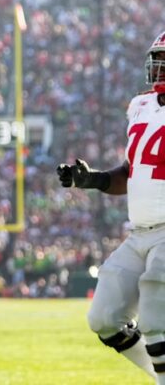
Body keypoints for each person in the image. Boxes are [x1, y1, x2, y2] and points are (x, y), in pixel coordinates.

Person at [55, 31, 165, 383]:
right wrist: (95, 180)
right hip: (140, 233)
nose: (158, 69)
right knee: (103, 317)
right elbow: (132, 173)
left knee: (155, 319)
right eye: (157, 61)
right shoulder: (141, 107)